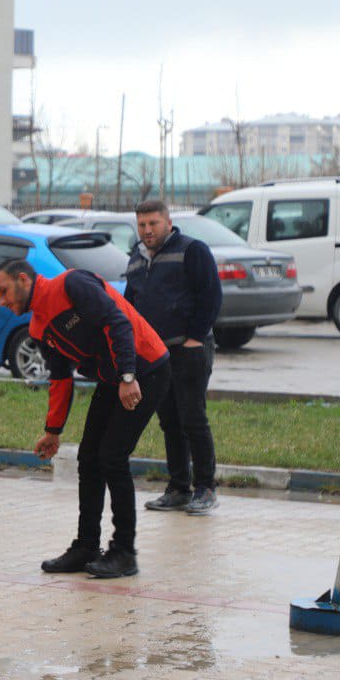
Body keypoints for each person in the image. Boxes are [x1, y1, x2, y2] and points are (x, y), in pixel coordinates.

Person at [0, 259, 171, 579]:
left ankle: (124, 553)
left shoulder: (71, 284)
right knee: (88, 458)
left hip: (145, 368)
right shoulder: (38, 327)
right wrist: (53, 430)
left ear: (23, 279)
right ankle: (87, 546)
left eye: (4, 291)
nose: (1, 301)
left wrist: (128, 375)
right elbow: (60, 379)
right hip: (114, 378)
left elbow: (117, 322)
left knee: (112, 457)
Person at [126, 200, 223, 516]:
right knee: (169, 421)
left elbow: (210, 295)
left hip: (189, 349)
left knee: (192, 418)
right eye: (142, 225)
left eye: (153, 223)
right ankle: (179, 488)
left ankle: (205, 487)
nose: (147, 230)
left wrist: (195, 337)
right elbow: (130, 306)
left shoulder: (192, 250)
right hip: (157, 356)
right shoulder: (136, 259)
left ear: (168, 223)